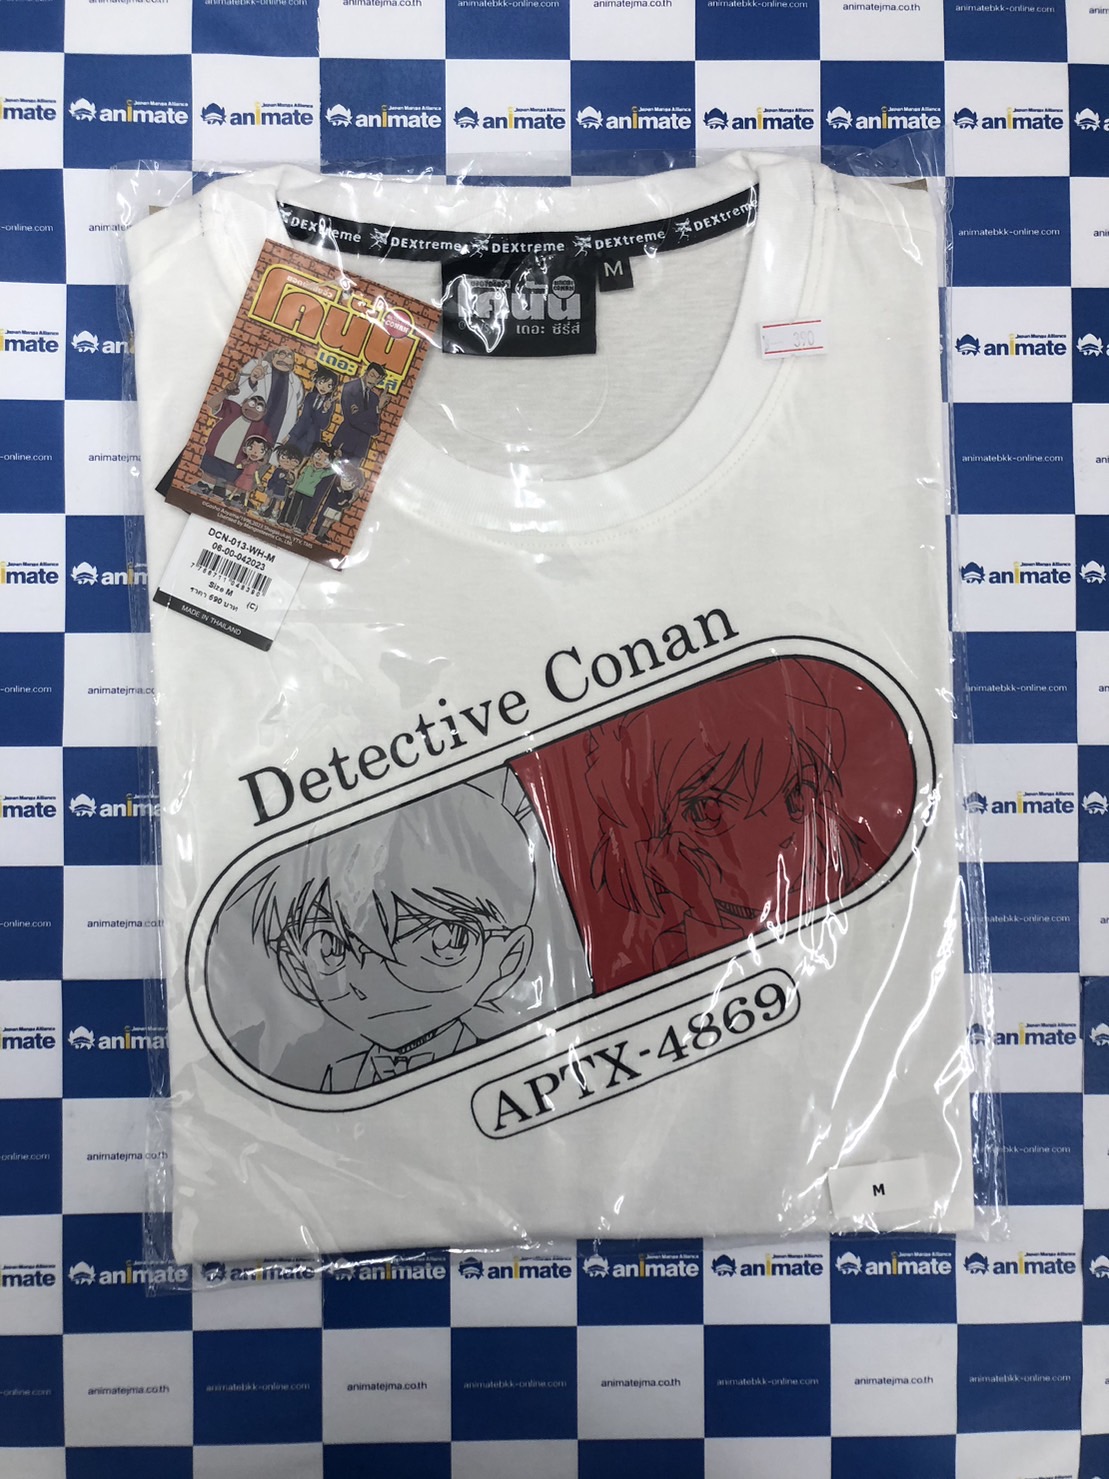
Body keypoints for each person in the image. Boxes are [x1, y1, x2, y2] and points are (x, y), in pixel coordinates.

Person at [219, 782, 539, 1091]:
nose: (369, 972)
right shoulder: (337, 1078)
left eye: (444, 938)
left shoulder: (514, 1061)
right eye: (330, 946)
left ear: (510, 957)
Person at [233, 345, 304, 448]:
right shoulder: (256, 366)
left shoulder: (296, 383)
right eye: (282, 354)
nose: (285, 359)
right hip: (248, 426)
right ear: (273, 356)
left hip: (273, 434)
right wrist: (252, 380)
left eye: (289, 356)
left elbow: (296, 407)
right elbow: (235, 397)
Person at [197, 393, 268, 492]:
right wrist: (225, 392)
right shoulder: (233, 409)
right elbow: (212, 404)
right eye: (252, 404)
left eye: (258, 408)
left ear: (264, 413)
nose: (253, 409)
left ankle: (227, 494)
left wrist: (259, 461)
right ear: (244, 402)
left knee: (231, 481)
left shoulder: (261, 428)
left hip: (237, 462)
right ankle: (206, 486)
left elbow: (265, 447)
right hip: (214, 453)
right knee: (209, 473)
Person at [332, 361, 390, 466]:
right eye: (372, 375)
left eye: (378, 379)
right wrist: (376, 409)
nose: (374, 380)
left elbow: (374, 430)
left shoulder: (374, 398)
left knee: (350, 475)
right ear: (366, 372)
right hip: (343, 443)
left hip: (360, 449)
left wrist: (361, 418)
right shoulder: (350, 388)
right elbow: (352, 420)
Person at [285, 367, 339, 457]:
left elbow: (323, 426)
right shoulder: (310, 396)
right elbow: (302, 417)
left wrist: (325, 410)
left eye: (329, 386)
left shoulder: (329, 403)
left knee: (300, 457)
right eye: (321, 383)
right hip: (298, 433)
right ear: (316, 381)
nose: (323, 387)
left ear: (332, 388)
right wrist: (290, 434)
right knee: (288, 454)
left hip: (311, 438)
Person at [282, 442, 333, 533]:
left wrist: (336, 460)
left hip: (309, 494)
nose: (319, 460)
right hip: (299, 490)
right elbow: (300, 479)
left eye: (325, 460)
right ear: (312, 455)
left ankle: (298, 526)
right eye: (318, 456)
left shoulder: (322, 472)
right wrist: (294, 489)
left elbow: (333, 471)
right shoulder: (308, 468)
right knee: (294, 507)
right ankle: (289, 522)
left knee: (303, 511)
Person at [227, 434, 273, 509]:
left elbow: (257, 474)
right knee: (238, 487)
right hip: (244, 476)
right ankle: (233, 498)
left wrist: (258, 483)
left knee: (247, 490)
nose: (255, 453)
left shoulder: (258, 464)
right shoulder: (247, 460)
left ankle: (243, 502)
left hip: (250, 478)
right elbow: (240, 466)